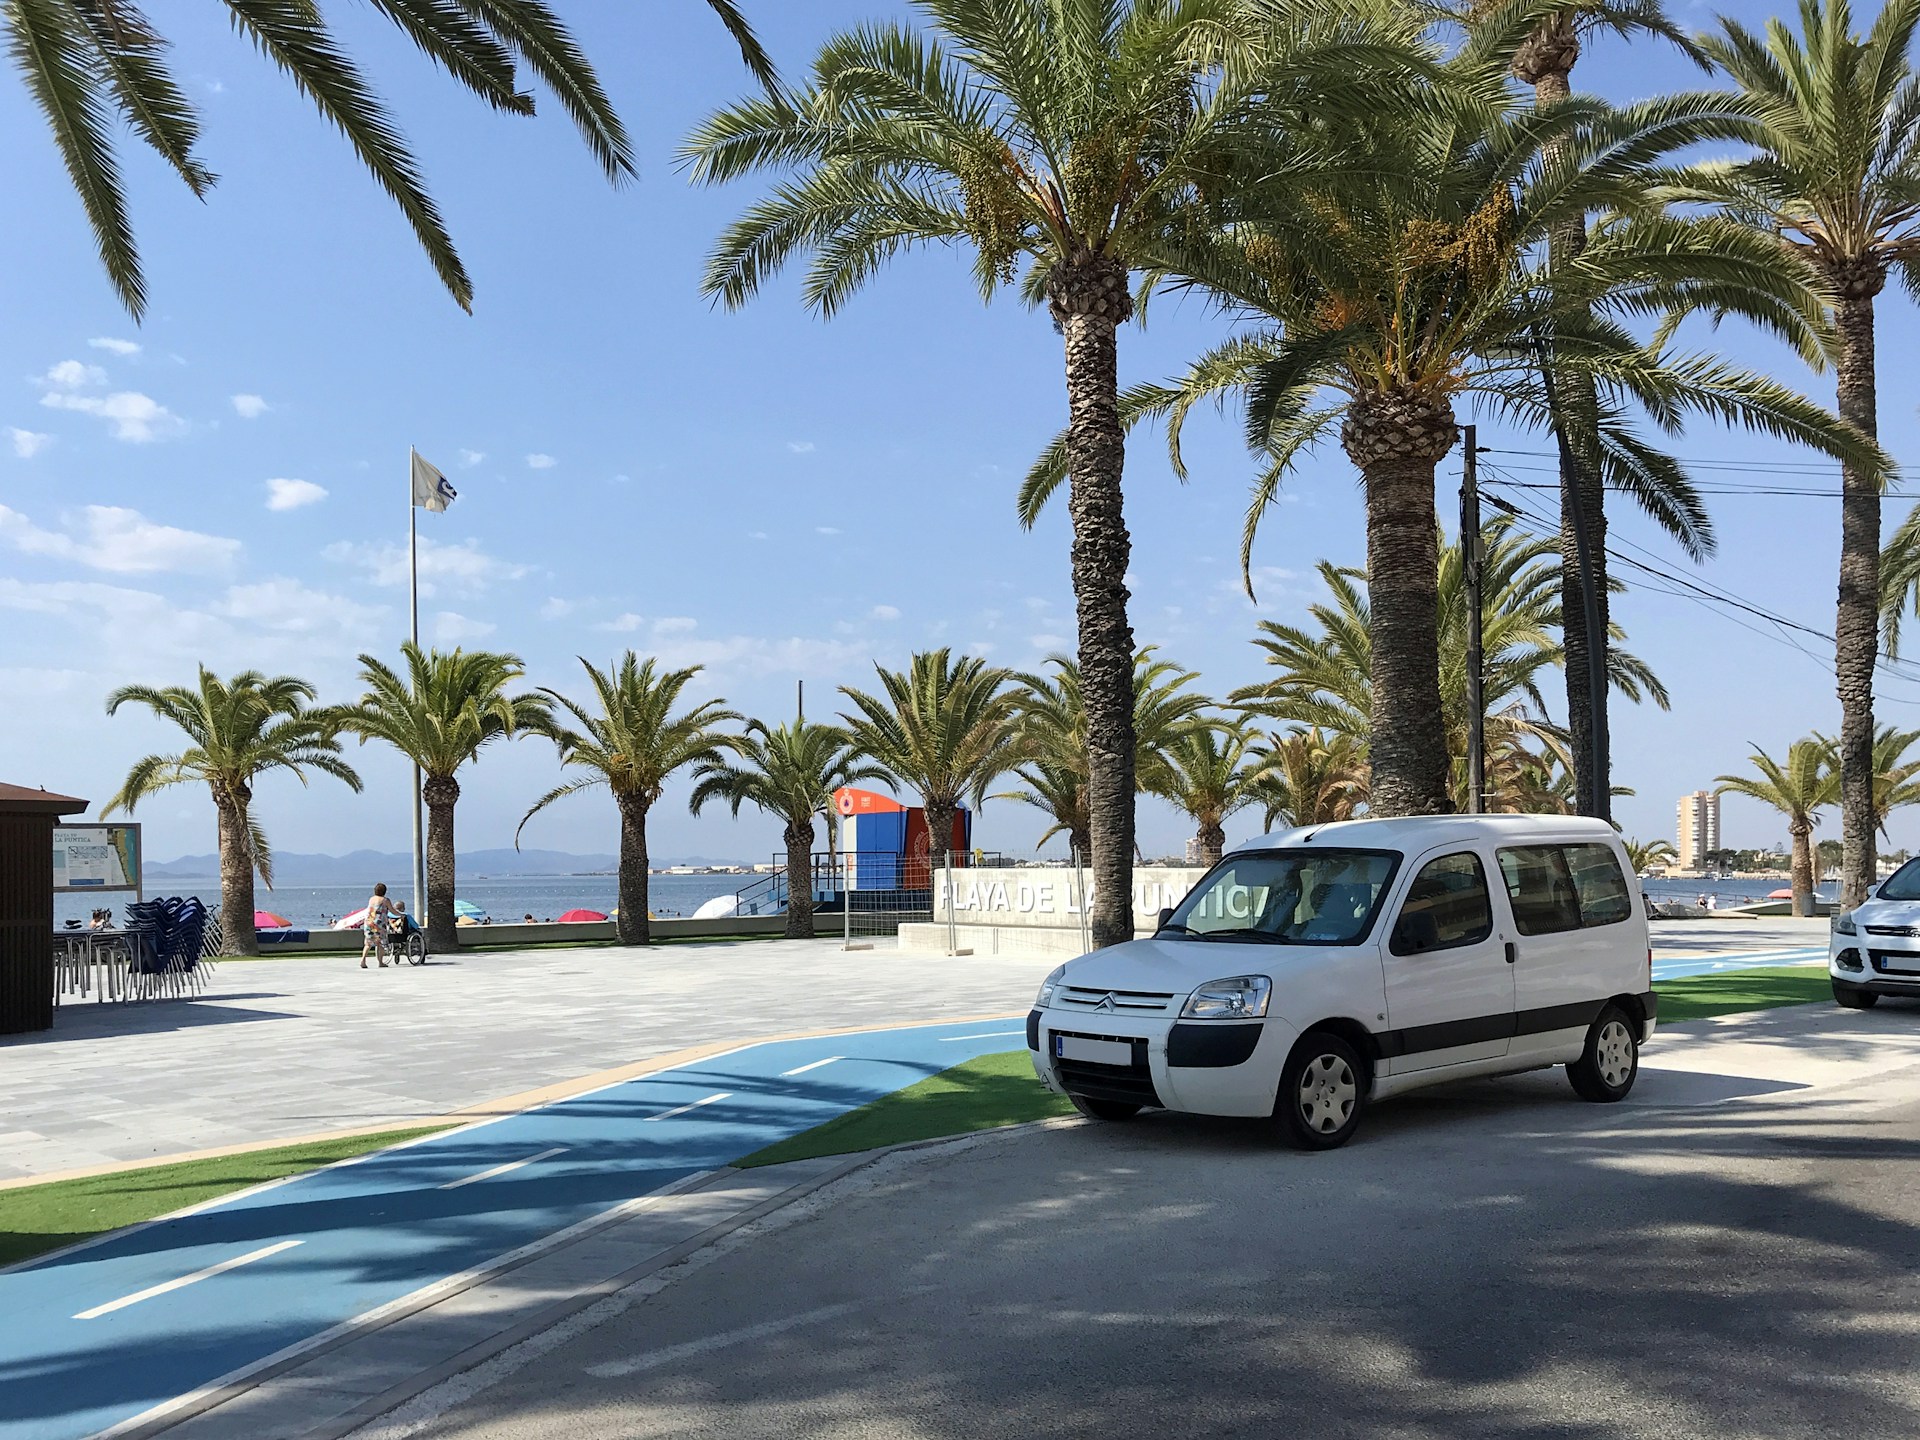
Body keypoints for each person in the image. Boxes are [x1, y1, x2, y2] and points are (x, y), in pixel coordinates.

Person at [361, 882, 395, 969]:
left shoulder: (371, 899)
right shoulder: (385, 900)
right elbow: (392, 910)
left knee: (368, 943)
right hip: (379, 924)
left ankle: (363, 960)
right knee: (380, 943)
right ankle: (380, 962)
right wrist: (401, 915)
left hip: (369, 922)